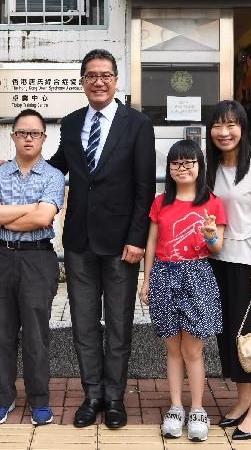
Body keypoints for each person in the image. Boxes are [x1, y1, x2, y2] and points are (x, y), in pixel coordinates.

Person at [48, 49, 156, 429]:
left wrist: (138, 239)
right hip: (78, 239)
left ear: (115, 81)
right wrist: (16, 164)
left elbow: (145, 187)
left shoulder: (137, 125)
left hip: (121, 242)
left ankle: (114, 396)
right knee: (83, 322)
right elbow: (60, 164)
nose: (98, 81)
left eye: (105, 75)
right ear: (82, 81)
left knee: (118, 323)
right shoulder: (73, 121)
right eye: (91, 75)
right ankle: (91, 392)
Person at [0, 109, 65, 426]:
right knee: (0, 333)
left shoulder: (54, 176)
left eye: (35, 133)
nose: (29, 138)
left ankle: (39, 399)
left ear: (44, 137)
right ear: (13, 135)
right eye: (22, 132)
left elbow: (44, 219)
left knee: (35, 334)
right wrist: (31, 208)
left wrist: (10, 213)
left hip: (37, 259)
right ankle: (2, 398)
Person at [139, 139, 226, 443]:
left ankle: (198, 409)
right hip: (164, 274)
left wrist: (212, 235)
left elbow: (218, 248)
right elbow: (151, 243)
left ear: (200, 166)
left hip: (197, 275)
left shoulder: (212, 202)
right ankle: (176, 407)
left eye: (189, 162)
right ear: (169, 168)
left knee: (193, 350)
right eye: (176, 163)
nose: (182, 168)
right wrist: (146, 279)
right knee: (173, 349)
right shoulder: (160, 201)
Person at [206, 100, 251, 441]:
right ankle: (241, 400)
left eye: (231, 125)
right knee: (229, 338)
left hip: (250, 264)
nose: (224, 132)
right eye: (218, 125)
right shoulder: (211, 166)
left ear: (243, 128)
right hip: (217, 261)